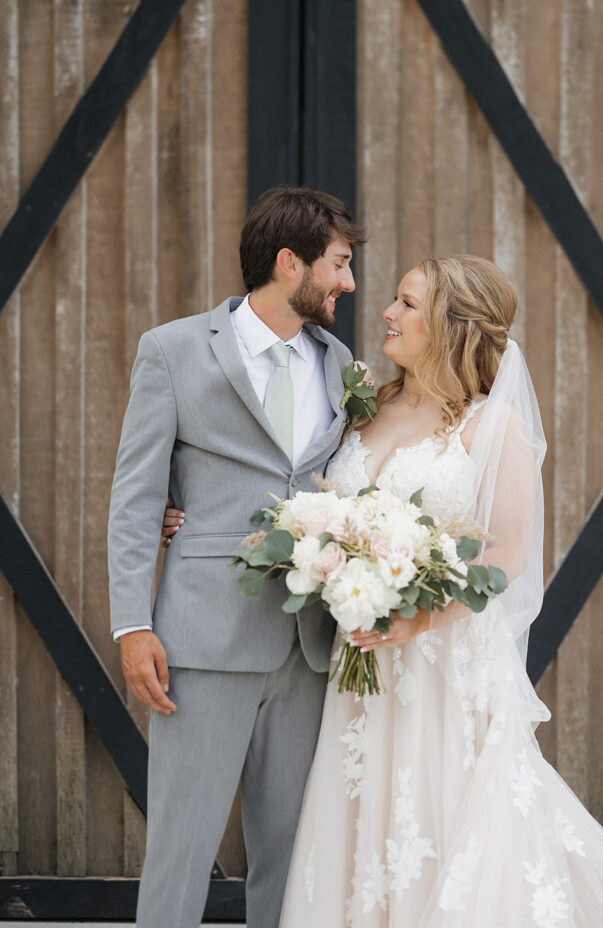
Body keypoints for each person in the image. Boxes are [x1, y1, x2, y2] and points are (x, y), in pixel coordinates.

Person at [271, 256, 603, 926]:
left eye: (405, 303)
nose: (387, 313)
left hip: (442, 666)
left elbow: (506, 555)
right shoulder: (363, 407)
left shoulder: (491, 429)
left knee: (446, 817)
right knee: (363, 816)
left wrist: (416, 621)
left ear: (448, 325)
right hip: (363, 658)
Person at [108, 186, 365, 928]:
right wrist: (132, 626)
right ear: (290, 264)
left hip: (309, 642)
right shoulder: (174, 349)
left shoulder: (339, 361)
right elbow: (134, 498)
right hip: (202, 638)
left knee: (290, 851)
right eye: (338, 265)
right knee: (182, 847)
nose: (347, 284)